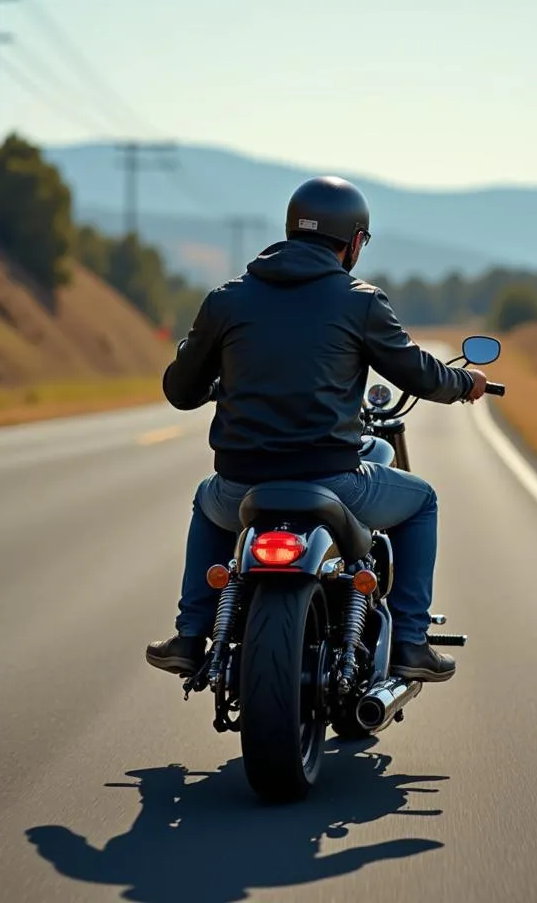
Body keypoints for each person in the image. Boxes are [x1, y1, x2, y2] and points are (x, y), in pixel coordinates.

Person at [145, 176, 487, 683]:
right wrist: (465, 382)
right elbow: (417, 371)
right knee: (422, 501)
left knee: (205, 498)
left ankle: (192, 636)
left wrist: (210, 374)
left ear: (290, 231)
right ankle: (411, 641)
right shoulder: (360, 301)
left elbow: (180, 390)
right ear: (352, 241)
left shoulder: (227, 300)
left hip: (241, 486)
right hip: (334, 480)